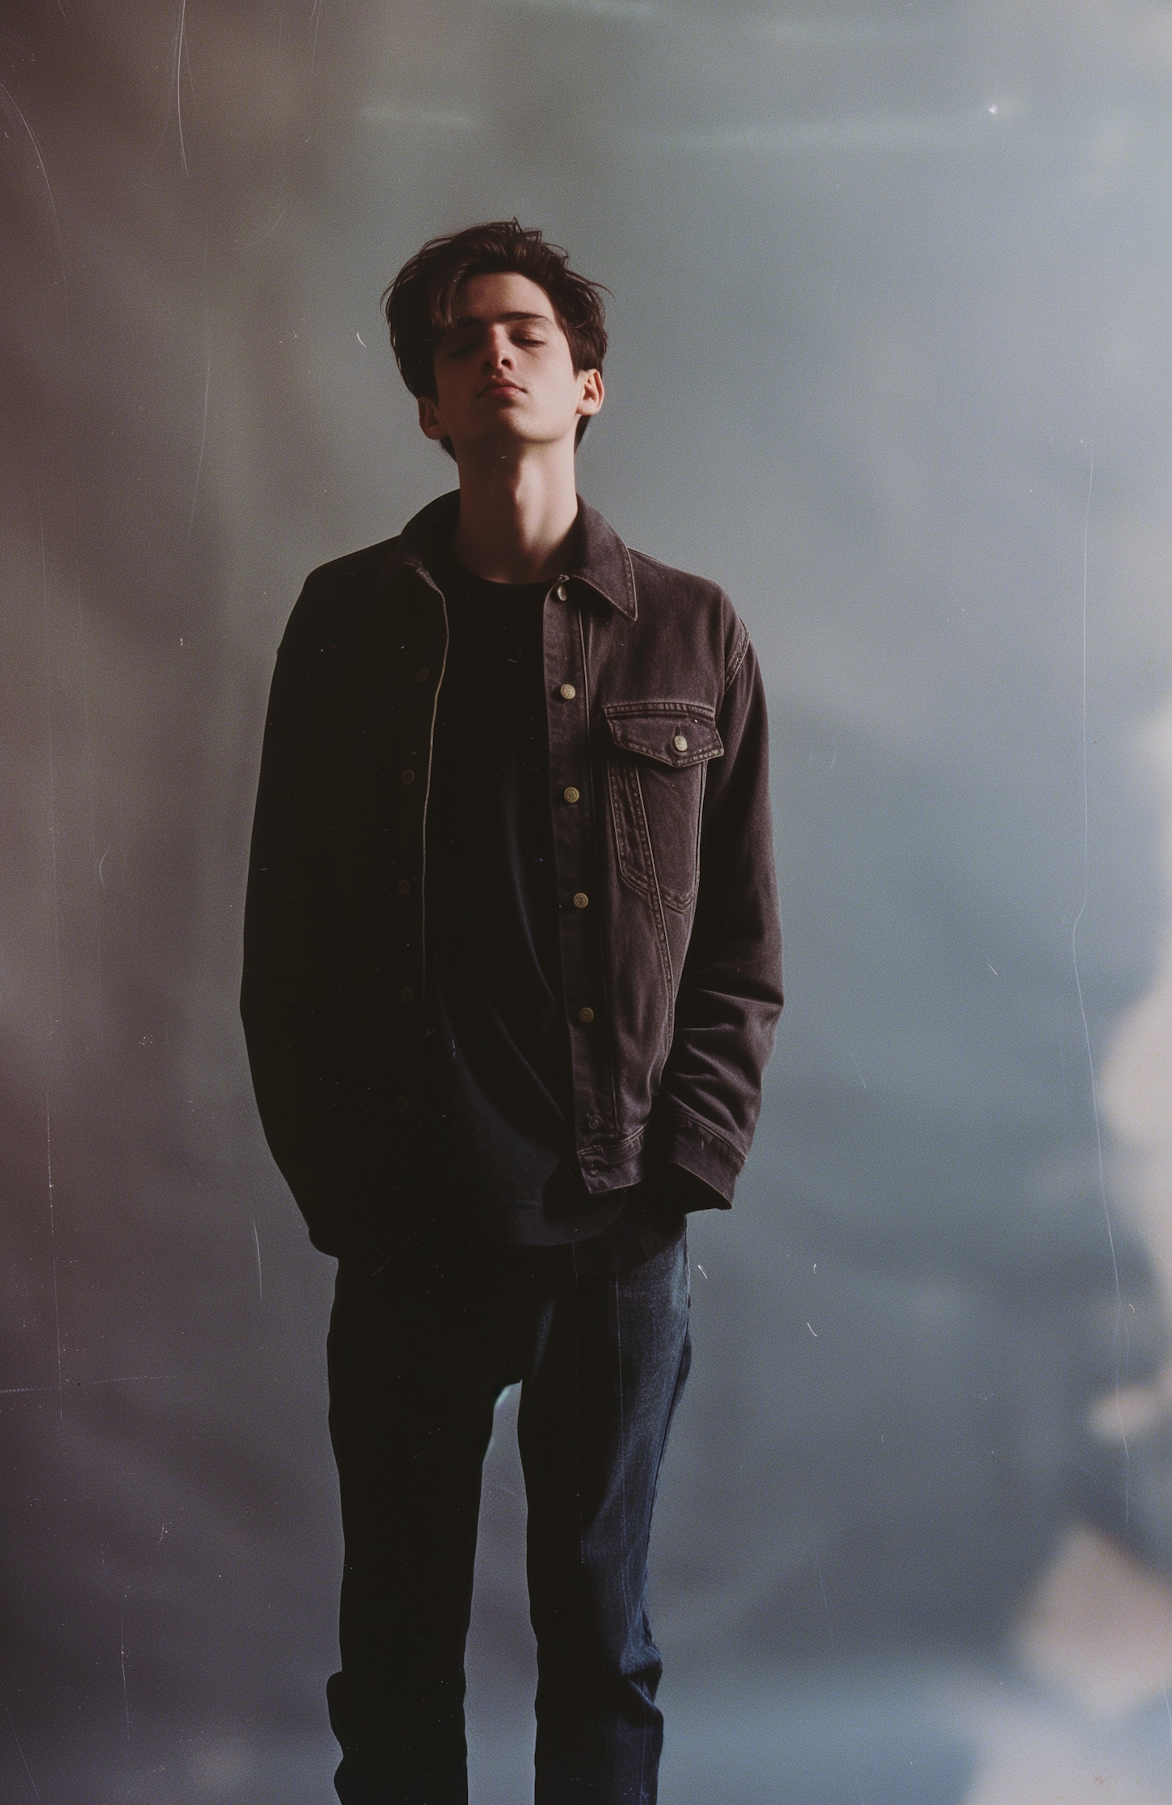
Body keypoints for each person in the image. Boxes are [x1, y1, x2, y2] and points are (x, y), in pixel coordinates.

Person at [241, 220, 782, 1805]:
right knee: (396, 1657)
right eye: (462, 337)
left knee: (600, 1646)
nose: (495, 353)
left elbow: (743, 950)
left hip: (614, 1236)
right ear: (426, 404)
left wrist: (677, 1179)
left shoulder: (692, 632)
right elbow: (283, 944)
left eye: (527, 331)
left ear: (588, 380)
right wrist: (347, 1192)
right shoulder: (346, 623)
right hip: (412, 1230)